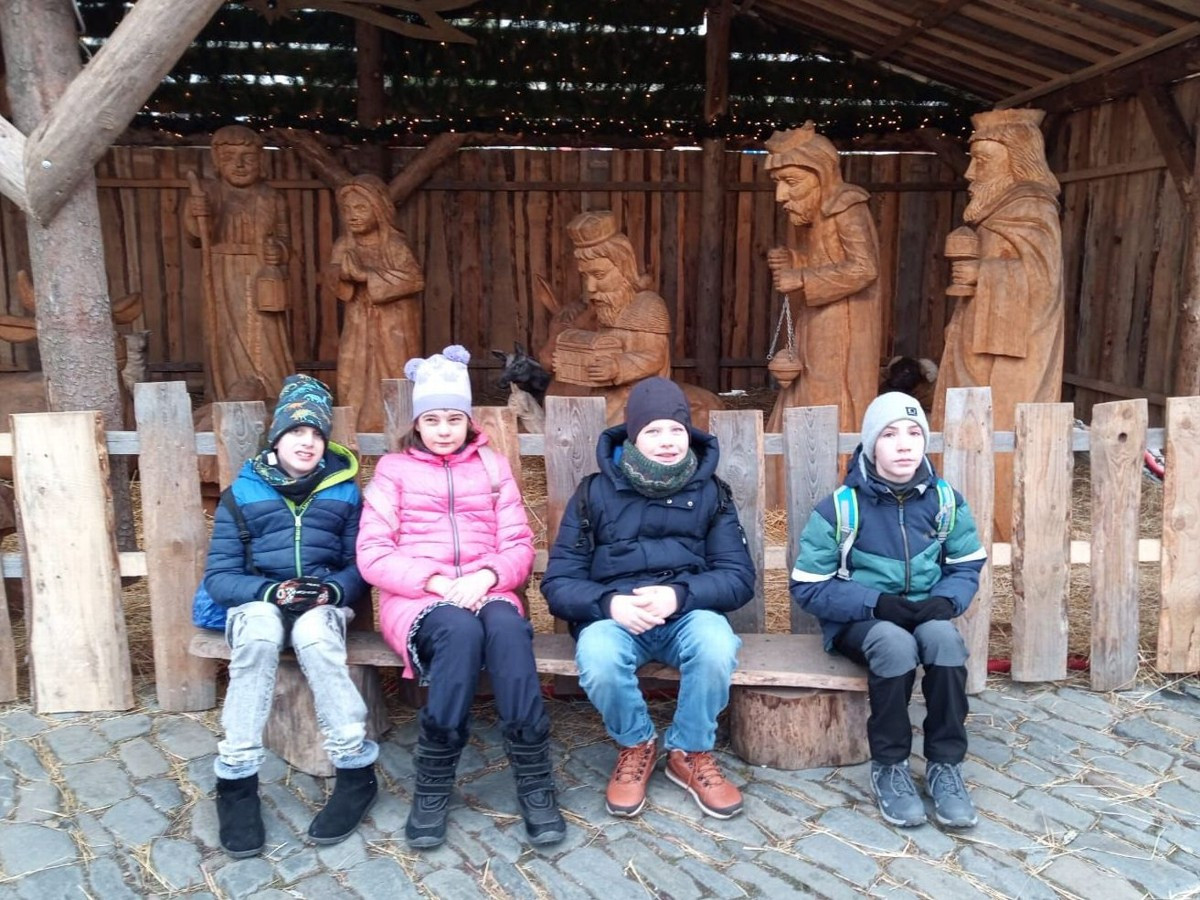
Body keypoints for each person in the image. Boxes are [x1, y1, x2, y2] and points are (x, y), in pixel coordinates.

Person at [356, 345, 565, 849]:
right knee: (459, 629)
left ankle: (533, 775)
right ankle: (433, 778)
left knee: (508, 629)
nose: (444, 429)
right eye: (432, 419)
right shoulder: (393, 472)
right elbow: (373, 553)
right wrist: (435, 583)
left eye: (454, 418)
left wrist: (486, 577)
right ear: (417, 423)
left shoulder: (492, 468)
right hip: (418, 596)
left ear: (468, 420)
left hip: (485, 587)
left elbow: (518, 545)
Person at [541, 377, 755, 820]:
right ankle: (636, 742)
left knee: (716, 645)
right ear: (633, 436)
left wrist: (679, 595)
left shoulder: (711, 492)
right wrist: (609, 603)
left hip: (687, 613)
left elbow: (738, 577)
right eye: (653, 431)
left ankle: (689, 750)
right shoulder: (593, 493)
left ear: (689, 433)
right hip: (615, 617)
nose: (667, 441)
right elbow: (559, 582)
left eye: (676, 430)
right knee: (598, 656)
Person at [790, 392, 986, 829]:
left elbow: (966, 563)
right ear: (870, 444)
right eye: (889, 435)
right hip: (861, 620)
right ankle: (891, 765)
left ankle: (945, 764)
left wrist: (947, 600)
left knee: (946, 641)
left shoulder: (945, 501)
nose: (903, 445)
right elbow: (808, 585)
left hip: (924, 612)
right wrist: (874, 602)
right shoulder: (842, 507)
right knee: (894, 645)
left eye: (914, 434)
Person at [201, 374, 376, 858]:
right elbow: (220, 576)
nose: (307, 442)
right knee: (257, 637)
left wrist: (333, 589)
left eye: (317, 433)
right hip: (259, 601)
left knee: (317, 639)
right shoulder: (242, 494)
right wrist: (270, 591)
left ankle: (355, 769)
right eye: (296, 431)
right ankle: (236, 780)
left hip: (321, 602)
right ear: (276, 438)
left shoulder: (344, 494)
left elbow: (360, 564)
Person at [932, 107, 1063, 543]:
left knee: (1002, 429)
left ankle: (1001, 523)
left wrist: (983, 274)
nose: (970, 173)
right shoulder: (998, 210)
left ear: (1016, 162)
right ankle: (962, 515)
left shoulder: (1032, 208)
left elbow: (1043, 284)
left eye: (982, 161)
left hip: (1010, 354)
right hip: (976, 340)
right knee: (962, 429)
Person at [763, 121, 881, 437]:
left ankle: (830, 460)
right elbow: (825, 262)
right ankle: (799, 455)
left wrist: (801, 276)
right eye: (778, 182)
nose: (781, 195)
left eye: (791, 181)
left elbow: (864, 268)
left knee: (828, 394)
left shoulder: (846, 207)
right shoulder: (814, 217)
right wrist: (794, 260)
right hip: (817, 320)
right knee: (807, 386)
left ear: (821, 175)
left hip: (843, 327)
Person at [185, 124, 295, 403]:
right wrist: (197, 214)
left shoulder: (272, 198)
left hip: (261, 275)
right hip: (223, 275)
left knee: (267, 337)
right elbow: (195, 235)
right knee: (226, 337)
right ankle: (226, 394)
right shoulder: (209, 193)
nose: (240, 164)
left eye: (248, 156)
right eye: (230, 157)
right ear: (216, 161)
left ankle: (272, 393)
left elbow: (286, 240)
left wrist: (279, 250)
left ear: (261, 160)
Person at [539, 210, 672, 425]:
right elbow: (585, 345)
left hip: (637, 396)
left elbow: (654, 357)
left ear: (624, 268)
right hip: (600, 393)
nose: (591, 286)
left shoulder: (648, 306)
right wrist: (564, 360)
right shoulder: (599, 308)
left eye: (599, 275)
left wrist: (617, 366)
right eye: (585, 276)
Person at [330, 174, 426, 432]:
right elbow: (334, 281)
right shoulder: (343, 245)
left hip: (394, 324)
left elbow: (414, 280)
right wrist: (341, 274)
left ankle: (398, 427)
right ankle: (355, 430)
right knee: (352, 372)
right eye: (347, 209)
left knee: (393, 370)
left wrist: (366, 276)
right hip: (358, 321)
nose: (352, 215)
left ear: (378, 209)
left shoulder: (394, 244)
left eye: (361, 208)